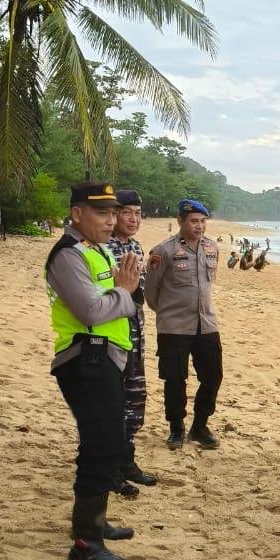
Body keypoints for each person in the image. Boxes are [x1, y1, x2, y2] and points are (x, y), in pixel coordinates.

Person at [45, 182, 142, 560]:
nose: (111, 221)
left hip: (105, 358)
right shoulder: (68, 255)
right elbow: (90, 311)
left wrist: (122, 293)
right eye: (102, 213)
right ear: (77, 214)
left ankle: (94, 523)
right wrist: (125, 293)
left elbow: (111, 300)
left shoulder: (94, 249)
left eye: (113, 213)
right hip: (85, 360)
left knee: (107, 443)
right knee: (102, 446)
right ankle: (86, 542)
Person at [145, 198, 223, 450]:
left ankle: (199, 427)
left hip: (206, 323)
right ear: (180, 221)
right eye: (193, 221)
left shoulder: (212, 247)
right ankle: (176, 429)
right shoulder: (163, 251)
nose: (199, 226)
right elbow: (151, 291)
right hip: (173, 327)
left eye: (203, 221)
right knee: (175, 379)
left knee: (213, 375)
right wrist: (167, 312)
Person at [108, 189, 157, 494]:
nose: (133, 219)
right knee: (113, 403)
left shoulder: (136, 246)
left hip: (136, 336)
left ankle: (126, 461)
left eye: (138, 214)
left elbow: (139, 293)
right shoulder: (104, 248)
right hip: (112, 337)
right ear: (113, 215)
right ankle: (110, 468)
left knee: (135, 401)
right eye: (127, 213)